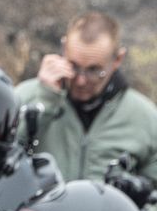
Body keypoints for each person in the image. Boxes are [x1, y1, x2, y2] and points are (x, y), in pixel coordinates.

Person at [18, 13, 157, 190]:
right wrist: (45, 100)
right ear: (63, 48)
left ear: (117, 60)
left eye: (94, 70)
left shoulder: (145, 118)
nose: (81, 81)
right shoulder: (26, 96)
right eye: (73, 66)